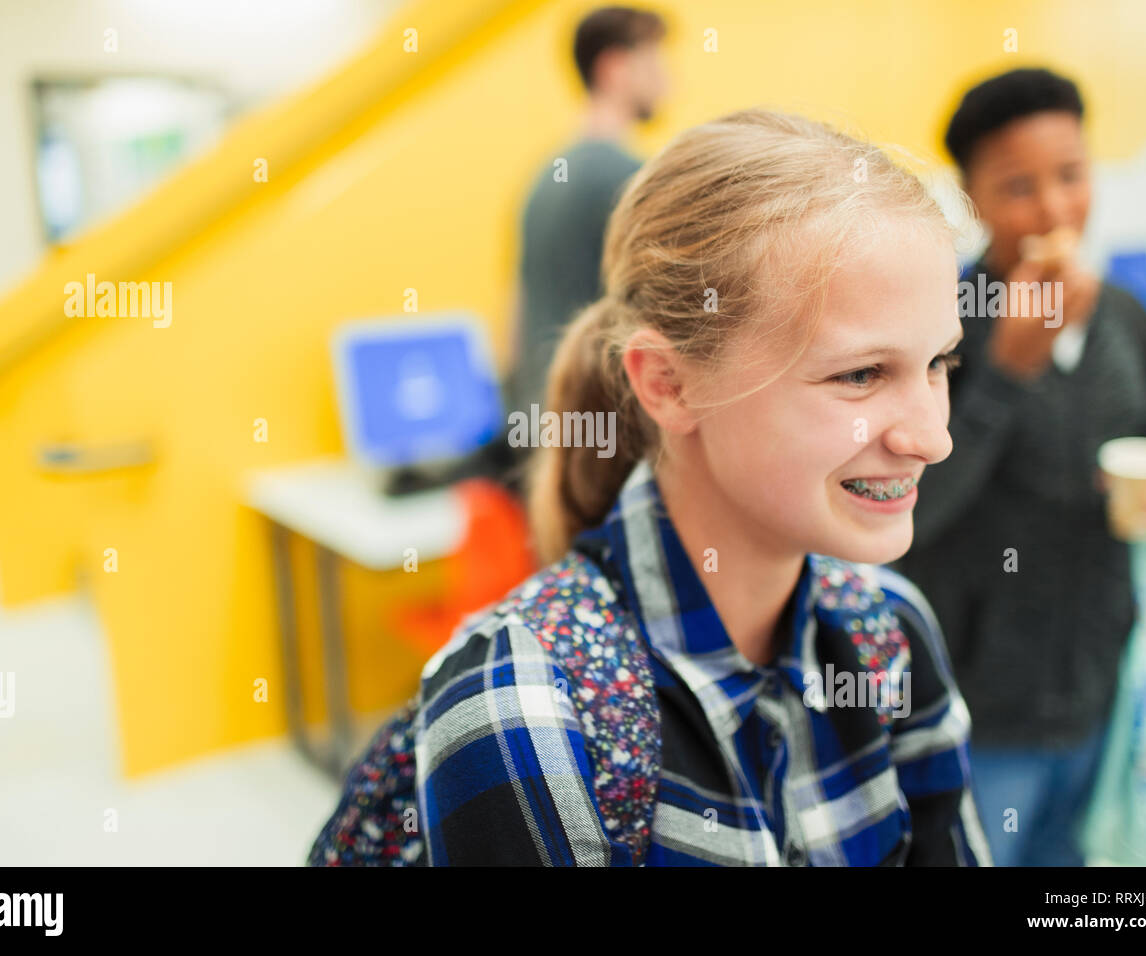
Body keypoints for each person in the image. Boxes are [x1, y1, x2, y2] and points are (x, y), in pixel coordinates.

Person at [413, 108, 992, 865]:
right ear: (668, 384)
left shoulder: (892, 633)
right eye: (860, 374)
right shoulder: (521, 707)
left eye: (939, 363)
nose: (933, 438)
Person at [889, 67, 1146, 867]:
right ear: (973, 199)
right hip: (978, 703)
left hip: (1103, 687)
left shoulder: (1125, 317)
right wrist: (1007, 373)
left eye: (1071, 175)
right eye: (1018, 187)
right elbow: (911, 515)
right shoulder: (938, 325)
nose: (1056, 209)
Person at [495, 6, 669, 493]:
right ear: (614, 68)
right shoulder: (628, 178)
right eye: (655, 60)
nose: (667, 78)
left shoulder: (543, 179)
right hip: (600, 439)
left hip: (539, 431)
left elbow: (514, 318)